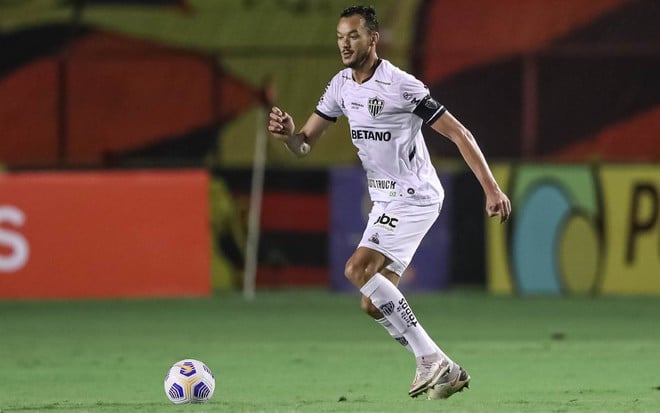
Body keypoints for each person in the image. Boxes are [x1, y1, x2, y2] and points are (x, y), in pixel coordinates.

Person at [267, 5, 511, 400]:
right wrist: (292, 135)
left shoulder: (401, 85)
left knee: (357, 267)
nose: (345, 44)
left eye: (353, 36)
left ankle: (432, 359)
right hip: (384, 201)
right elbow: (304, 145)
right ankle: (442, 368)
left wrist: (491, 188)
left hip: (414, 196)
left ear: (373, 39)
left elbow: (459, 133)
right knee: (372, 302)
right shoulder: (341, 86)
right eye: (340, 37)